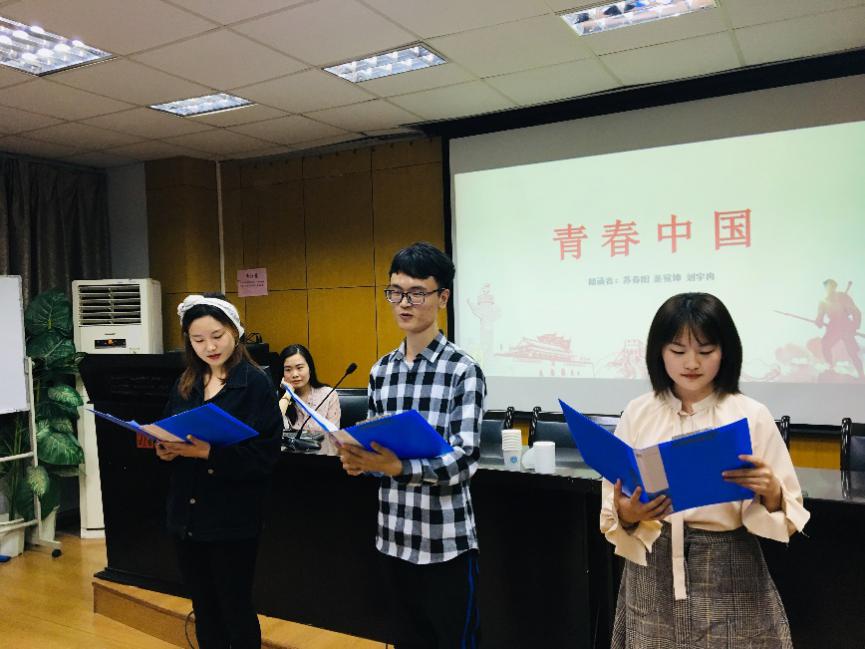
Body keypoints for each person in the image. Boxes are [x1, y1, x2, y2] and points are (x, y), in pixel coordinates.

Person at [601, 292, 810, 649]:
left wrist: (772, 492)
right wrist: (629, 513)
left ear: (725, 351)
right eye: (678, 351)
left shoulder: (750, 414)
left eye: (706, 350)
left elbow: (790, 512)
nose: (692, 363)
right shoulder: (638, 412)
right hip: (652, 568)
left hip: (728, 566)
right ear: (659, 352)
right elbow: (614, 501)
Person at [336, 242, 485, 649]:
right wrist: (360, 460)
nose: (404, 303)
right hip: (393, 538)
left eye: (417, 293)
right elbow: (378, 449)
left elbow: (465, 460)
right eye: (396, 292)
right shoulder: (381, 371)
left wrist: (399, 468)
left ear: (443, 297)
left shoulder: (463, 370)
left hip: (445, 544)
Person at [156, 293, 282, 649]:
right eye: (198, 340)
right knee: (204, 608)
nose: (209, 347)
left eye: (217, 336)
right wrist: (164, 449)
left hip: (231, 517)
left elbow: (265, 457)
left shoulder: (255, 383)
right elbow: (167, 429)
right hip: (187, 514)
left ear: (235, 332)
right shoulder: (186, 382)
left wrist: (208, 452)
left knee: (234, 607)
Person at [277, 343, 341, 454]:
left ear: (310, 368)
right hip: (287, 461)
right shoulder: (279, 400)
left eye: (299, 368)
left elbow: (334, 439)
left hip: (323, 459)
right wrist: (288, 393)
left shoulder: (328, 395)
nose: (295, 374)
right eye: (288, 370)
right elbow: (272, 429)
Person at [815, 279, 864, 380]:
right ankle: (830, 368)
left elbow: (856, 313)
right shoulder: (823, 302)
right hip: (833, 327)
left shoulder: (843, 297)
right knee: (825, 345)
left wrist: (854, 326)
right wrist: (818, 321)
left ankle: (861, 375)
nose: (830, 288)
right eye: (827, 286)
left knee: (852, 353)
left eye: (831, 286)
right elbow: (820, 317)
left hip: (846, 325)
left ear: (835, 287)